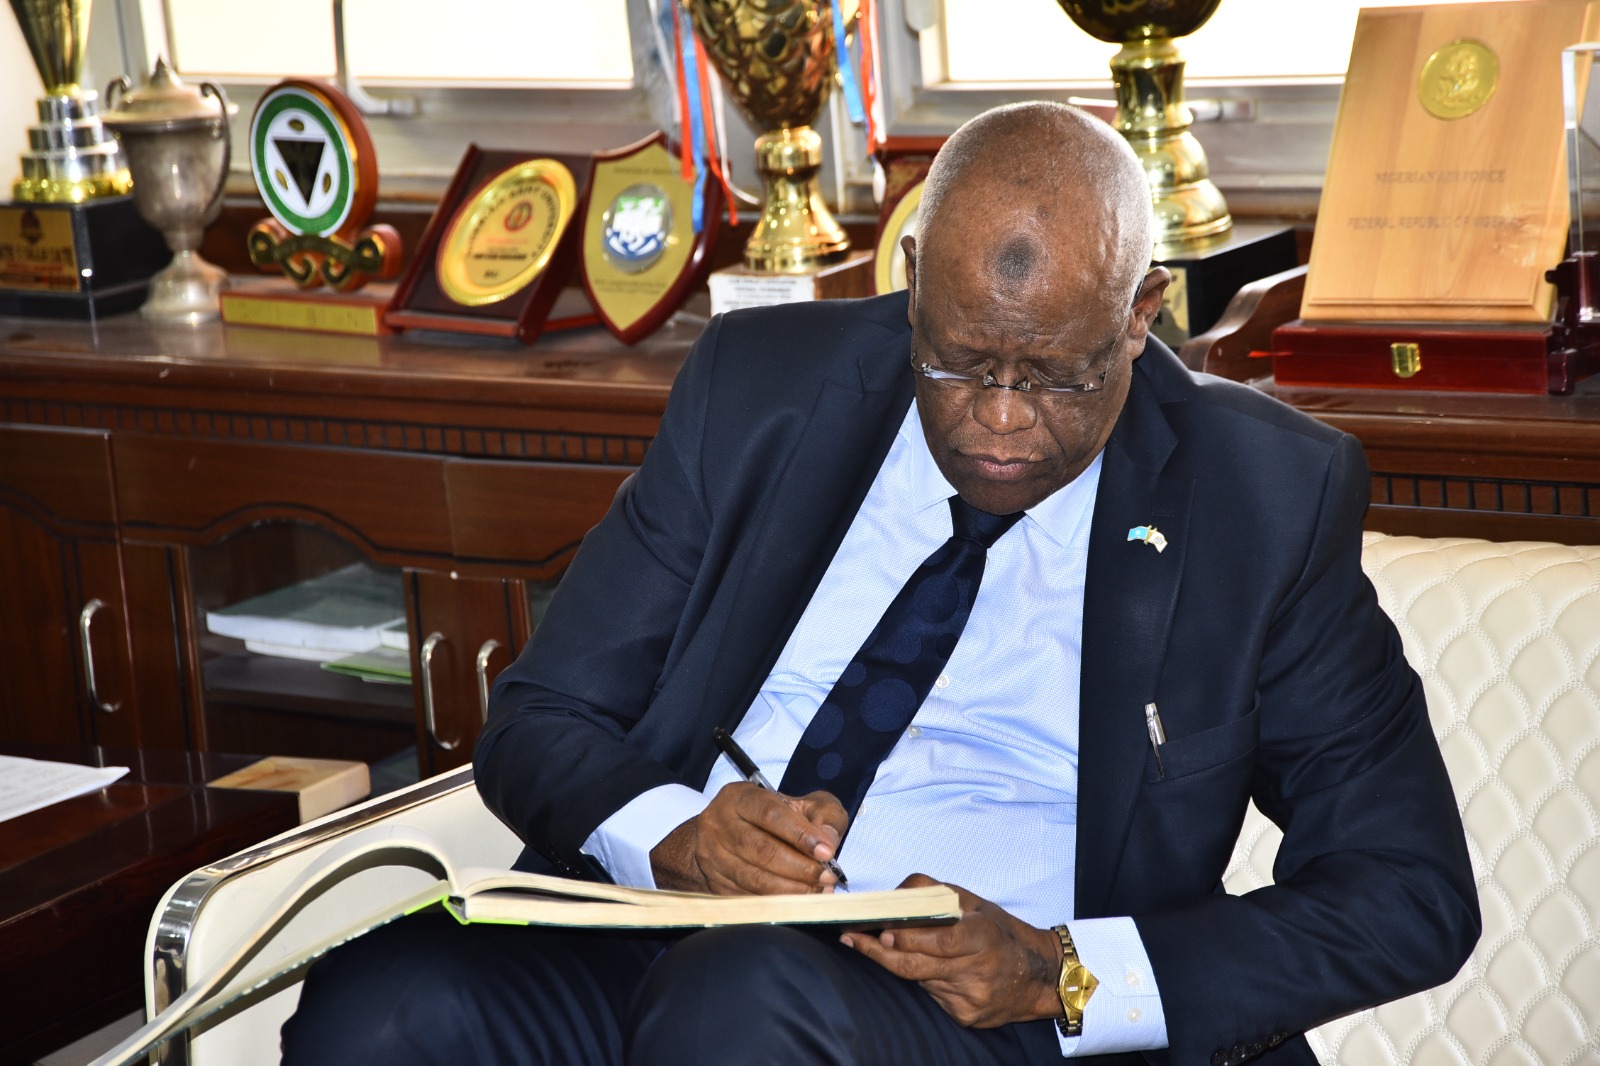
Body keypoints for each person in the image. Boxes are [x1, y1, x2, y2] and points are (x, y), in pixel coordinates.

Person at [283, 101, 1478, 1066]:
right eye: (955, 360)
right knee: (381, 1004)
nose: (998, 420)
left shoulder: (1261, 498)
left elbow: (1406, 890)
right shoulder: (762, 391)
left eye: (1055, 376)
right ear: (911, 279)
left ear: (1138, 317)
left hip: (988, 1013)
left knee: (740, 1003)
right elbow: (541, 716)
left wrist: (1061, 970)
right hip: (667, 928)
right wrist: (675, 835)